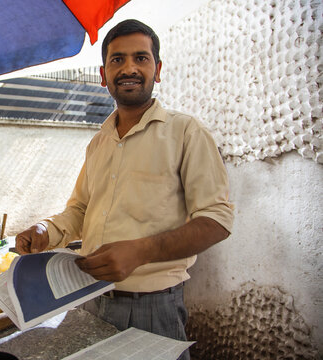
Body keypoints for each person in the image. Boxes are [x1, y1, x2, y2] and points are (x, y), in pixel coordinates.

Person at [15, 19, 234, 359]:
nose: (129, 68)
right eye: (117, 60)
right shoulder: (99, 143)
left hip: (152, 309)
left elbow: (217, 220)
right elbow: (80, 209)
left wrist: (141, 251)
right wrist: (47, 230)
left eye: (140, 58)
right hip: (88, 299)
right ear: (103, 75)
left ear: (157, 69)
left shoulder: (187, 133)